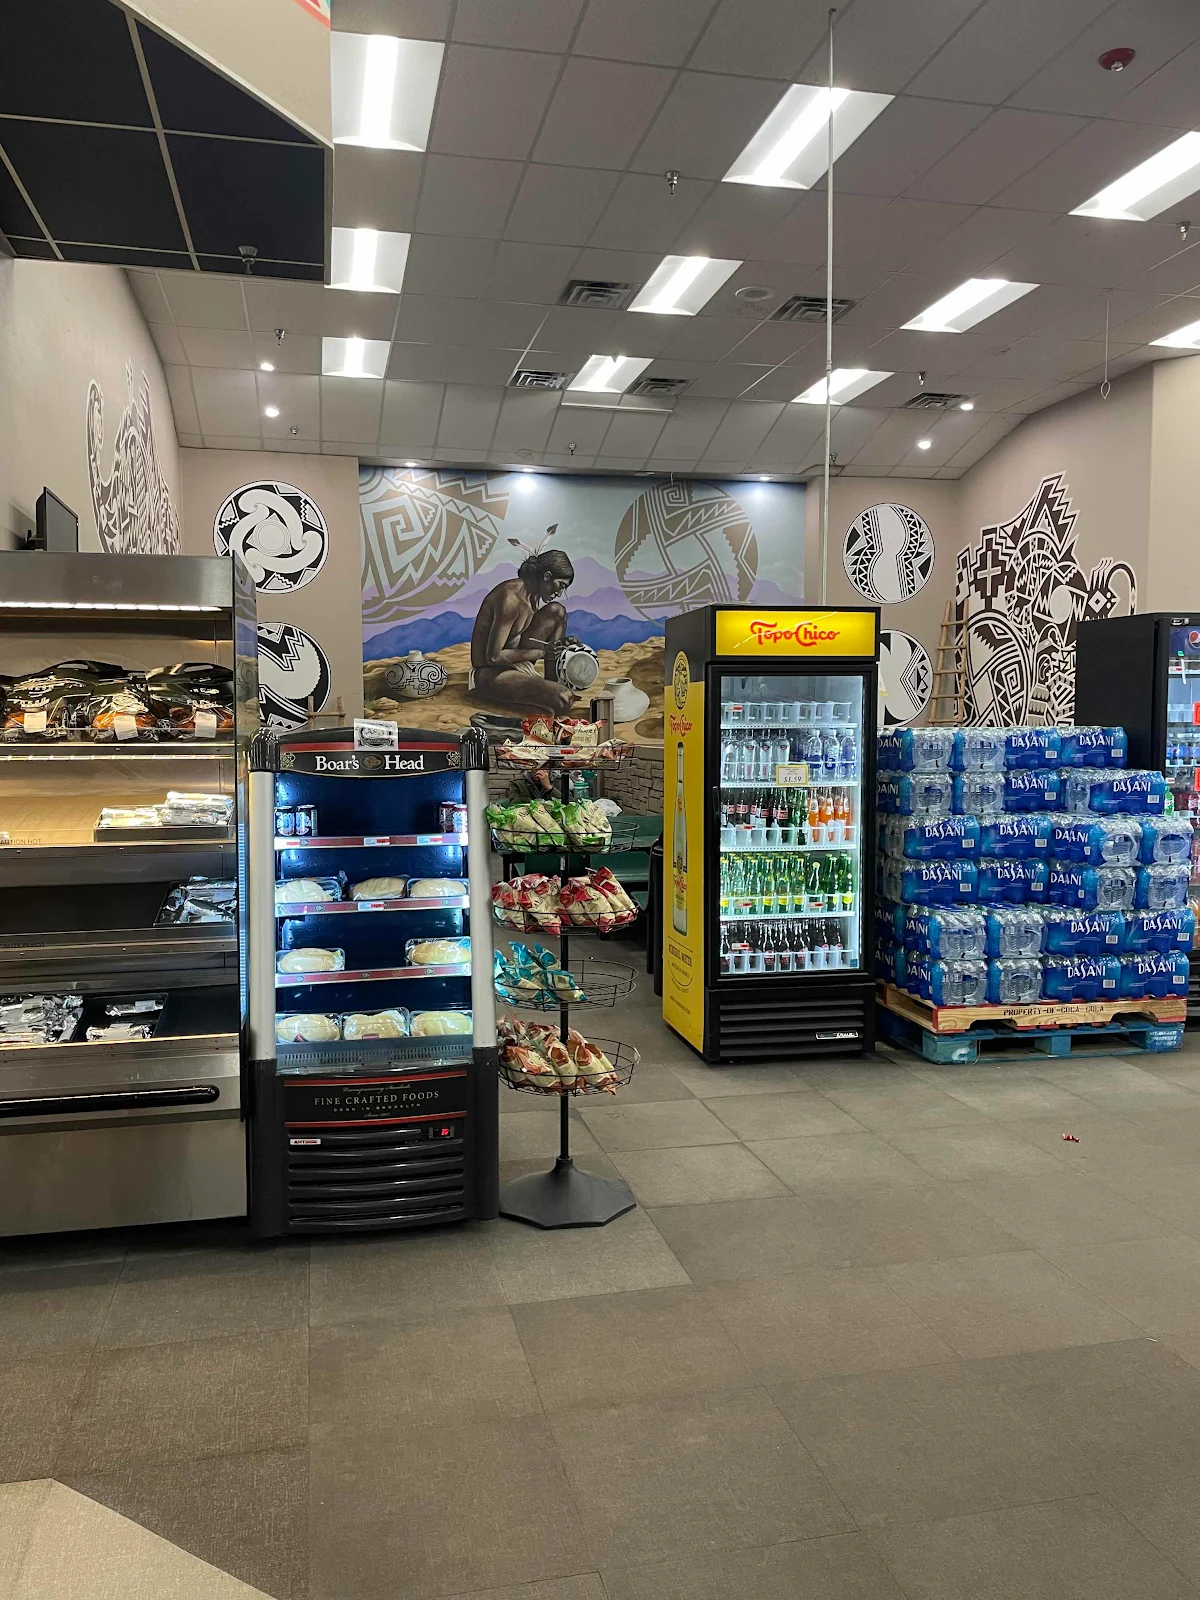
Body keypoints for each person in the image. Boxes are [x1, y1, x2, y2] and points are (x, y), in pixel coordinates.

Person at [471, 545, 576, 715]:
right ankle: (551, 692)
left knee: (557, 611)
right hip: (491, 672)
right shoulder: (511, 599)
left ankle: (552, 683)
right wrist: (542, 653)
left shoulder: (532, 595)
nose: (560, 593)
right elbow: (494, 657)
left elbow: (524, 637)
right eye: (561, 585)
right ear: (547, 576)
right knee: (564, 698)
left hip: (517, 663)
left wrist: (561, 646)